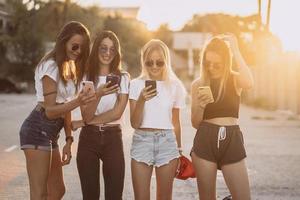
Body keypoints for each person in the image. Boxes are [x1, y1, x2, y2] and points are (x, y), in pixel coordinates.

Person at [19, 21, 94, 200]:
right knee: (40, 194)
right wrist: (79, 100)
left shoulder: (67, 66)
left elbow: (64, 107)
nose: (78, 51)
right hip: (37, 130)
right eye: (75, 46)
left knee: (57, 191)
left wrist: (68, 140)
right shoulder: (51, 66)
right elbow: (51, 111)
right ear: (63, 42)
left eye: (82, 48)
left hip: (51, 134)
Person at [190, 33, 254, 200]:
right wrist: (202, 106)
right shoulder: (198, 84)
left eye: (217, 65)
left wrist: (236, 50)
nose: (211, 68)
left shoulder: (234, 79)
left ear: (226, 62)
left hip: (232, 139)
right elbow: (195, 123)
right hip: (205, 139)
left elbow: (249, 82)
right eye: (207, 63)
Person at [73, 30, 129, 200]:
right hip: (88, 140)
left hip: (113, 139)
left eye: (112, 49)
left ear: (117, 52)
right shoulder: (85, 77)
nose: (107, 53)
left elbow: (117, 113)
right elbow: (87, 114)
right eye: (103, 48)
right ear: (96, 49)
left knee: (114, 196)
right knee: (90, 196)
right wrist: (98, 94)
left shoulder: (123, 78)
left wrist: (83, 123)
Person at [129, 39, 186, 200]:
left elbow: (176, 123)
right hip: (142, 141)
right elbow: (134, 123)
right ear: (143, 62)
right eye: (149, 62)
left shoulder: (175, 86)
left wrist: (179, 151)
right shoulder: (135, 84)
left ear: (166, 62)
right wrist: (141, 100)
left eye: (159, 62)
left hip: (167, 143)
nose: (154, 66)